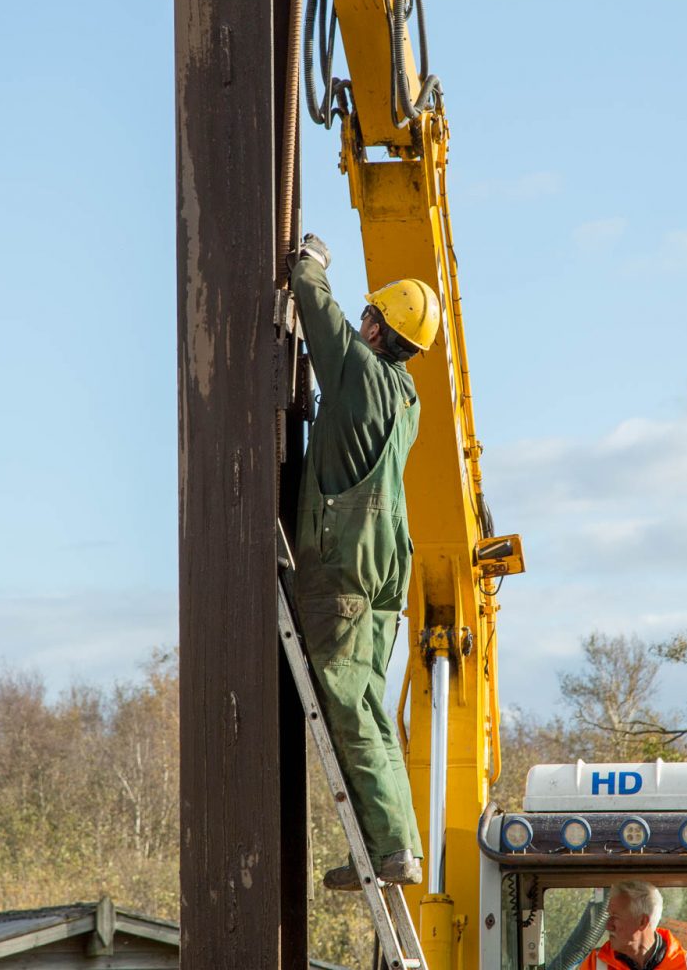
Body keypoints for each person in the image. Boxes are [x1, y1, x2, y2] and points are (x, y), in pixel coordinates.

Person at [285, 232, 441, 890]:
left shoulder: (357, 370)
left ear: (378, 332)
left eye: (369, 314)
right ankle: (388, 845)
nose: (361, 319)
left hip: (342, 568)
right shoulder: (407, 399)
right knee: (369, 708)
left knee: (349, 709)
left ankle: (393, 844)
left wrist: (312, 261)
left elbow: (312, 300)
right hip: (382, 572)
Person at [580, 880, 687, 970]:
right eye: (609, 915)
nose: (608, 925)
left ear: (642, 922)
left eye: (615, 917)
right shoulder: (594, 965)